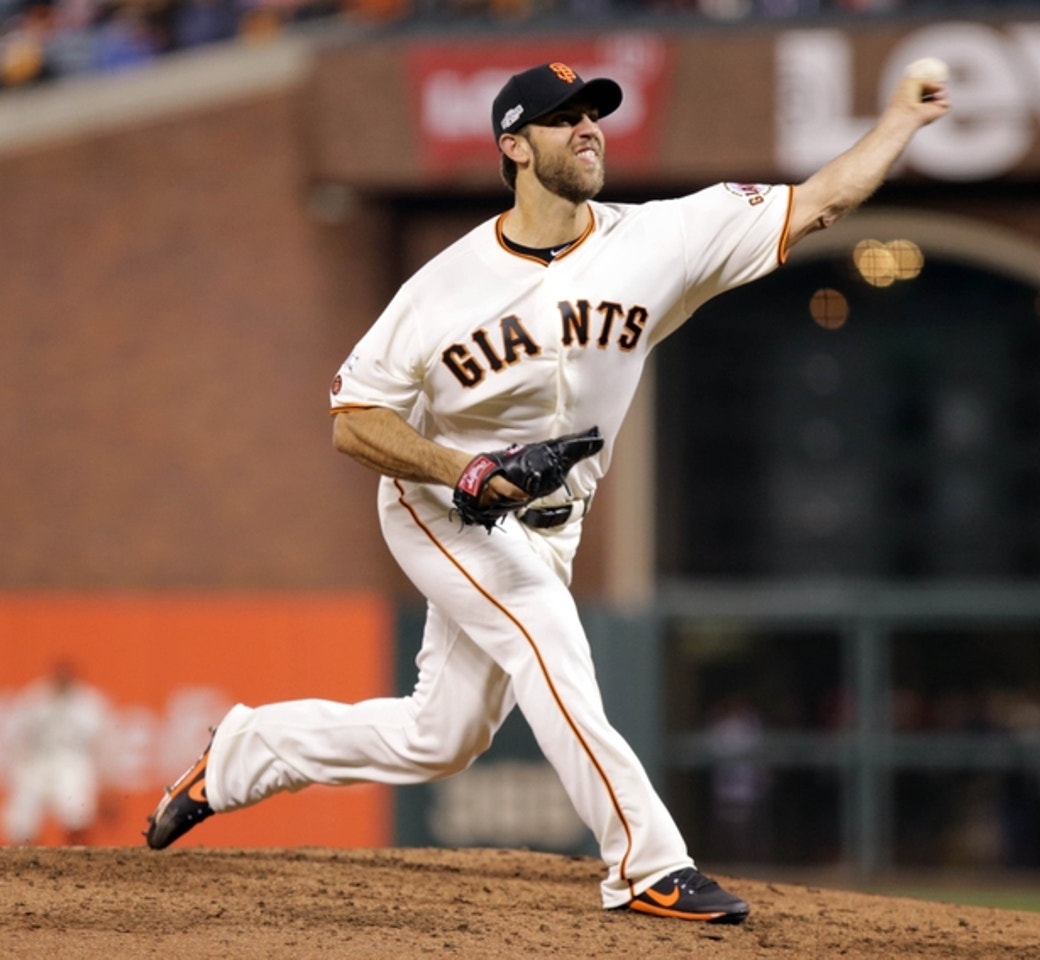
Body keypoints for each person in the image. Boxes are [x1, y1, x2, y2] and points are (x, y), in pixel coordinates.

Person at [144, 59, 949, 922]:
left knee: (442, 737)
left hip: (547, 524)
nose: (589, 127)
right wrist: (465, 470)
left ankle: (243, 751)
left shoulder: (662, 239)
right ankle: (645, 862)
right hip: (440, 504)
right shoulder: (442, 286)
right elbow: (353, 420)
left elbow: (820, 201)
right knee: (545, 637)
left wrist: (900, 119)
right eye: (565, 117)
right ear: (514, 147)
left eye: (594, 112)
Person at [3, 662, 110, 846]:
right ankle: (25, 865)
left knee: (77, 813)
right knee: (21, 821)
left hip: (73, 762)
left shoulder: (89, 703)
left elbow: (103, 745)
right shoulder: (34, 699)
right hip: (36, 762)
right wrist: (12, 772)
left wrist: (108, 784)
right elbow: (13, 737)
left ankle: (78, 862)